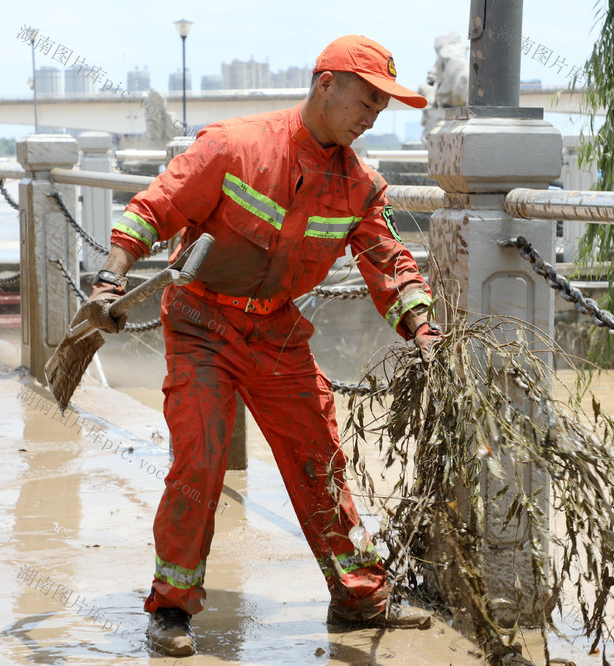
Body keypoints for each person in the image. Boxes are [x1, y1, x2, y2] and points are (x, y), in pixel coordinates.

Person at [79, 35, 443, 657]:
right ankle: (171, 608)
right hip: (201, 323)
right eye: (368, 99)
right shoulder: (234, 146)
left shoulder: (360, 187)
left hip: (276, 332)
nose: (374, 116)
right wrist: (111, 278)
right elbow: (155, 207)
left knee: (318, 457)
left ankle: (358, 596)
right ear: (325, 84)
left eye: (383, 107)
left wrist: (423, 331)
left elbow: (389, 262)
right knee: (200, 460)